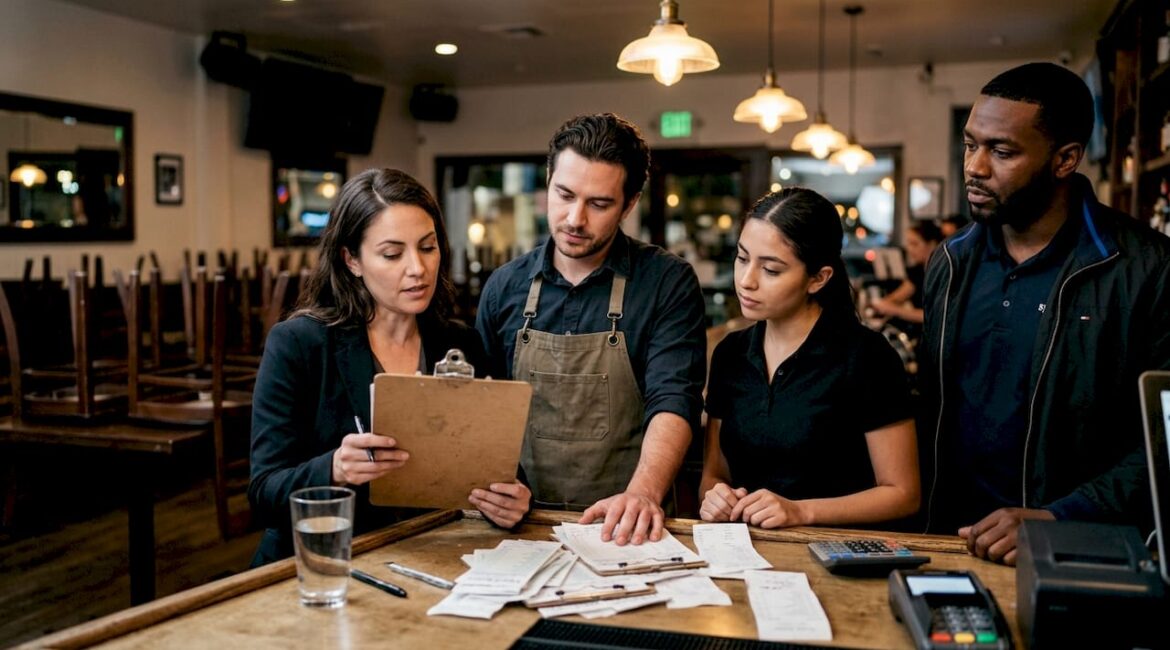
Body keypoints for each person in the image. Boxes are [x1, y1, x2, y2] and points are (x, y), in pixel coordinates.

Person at [920, 62, 1170, 565]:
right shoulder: (949, 262)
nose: (974, 166)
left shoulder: (1147, 270)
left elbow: (1166, 437)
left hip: (1074, 553)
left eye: (1002, 151)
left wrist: (1063, 515)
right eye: (971, 144)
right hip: (945, 544)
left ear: (1065, 159)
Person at [248, 168, 531, 566]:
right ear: (352, 260)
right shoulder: (300, 344)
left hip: (428, 557)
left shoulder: (460, 344)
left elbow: (497, 467)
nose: (417, 268)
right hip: (322, 566)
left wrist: (512, 499)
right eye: (392, 254)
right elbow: (263, 494)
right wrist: (333, 468)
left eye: (428, 247)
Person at [475, 113, 707, 546]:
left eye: (599, 204)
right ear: (547, 180)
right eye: (564, 195)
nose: (575, 219)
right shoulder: (504, 287)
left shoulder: (666, 283)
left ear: (630, 203)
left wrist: (642, 494)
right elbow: (482, 414)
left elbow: (675, 399)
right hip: (523, 529)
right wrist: (499, 491)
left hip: (628, 531)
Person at [699, 188, 919, 529]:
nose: (746, 281)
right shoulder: (731, 354)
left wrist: (801, 511)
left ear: (818, 278)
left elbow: (902, 494)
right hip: (747, 554)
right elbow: (715, 474)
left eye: (771, 270)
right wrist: (715, 497)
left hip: (837, 558)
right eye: (742, 258)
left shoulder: (867, 358)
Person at [870, 221, 944, 327]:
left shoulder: (942, 274)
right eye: (908, 244)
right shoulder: (918, 271)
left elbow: (934, 316)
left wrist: (895, 310)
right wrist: (879, 305)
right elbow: (897, 297)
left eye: (915, 244)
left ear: (932, 244)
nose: (909, 249)